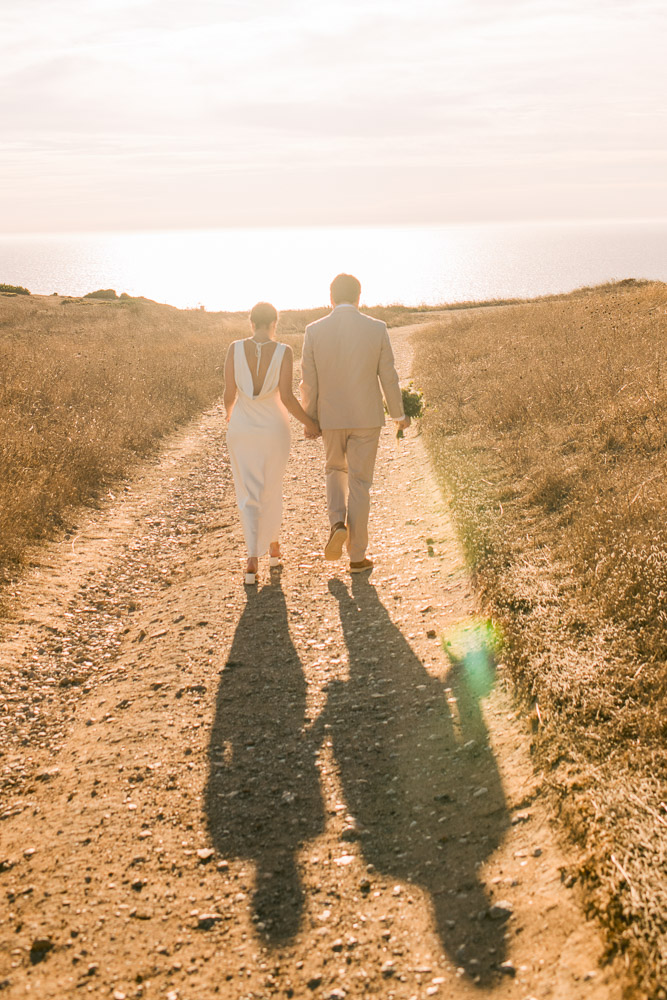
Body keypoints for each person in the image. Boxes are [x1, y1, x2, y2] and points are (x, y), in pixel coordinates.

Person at [300, 274, 410, 574]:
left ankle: (337, 522)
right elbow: (388, 376)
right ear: (359, 297)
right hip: (366, 418)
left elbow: (309, 381)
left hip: (331, 418)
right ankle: (357, 556)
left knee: (335, 470)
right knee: (360, 484)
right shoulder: (377, 328)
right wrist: (398, 415)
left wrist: (310, 418)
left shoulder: (314, 331)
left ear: (331, 298)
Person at [224, 301, 320, 584]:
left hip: (242, 428)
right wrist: (310, 423)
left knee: (248, 491)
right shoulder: (283, 351)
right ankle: (274, 547)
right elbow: (287, 397)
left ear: (251, 322)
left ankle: (252, 557)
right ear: (274, 323)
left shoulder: (234, 349)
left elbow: (229, 394)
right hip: (274, 429)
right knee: (272, 486)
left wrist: (231, 417)